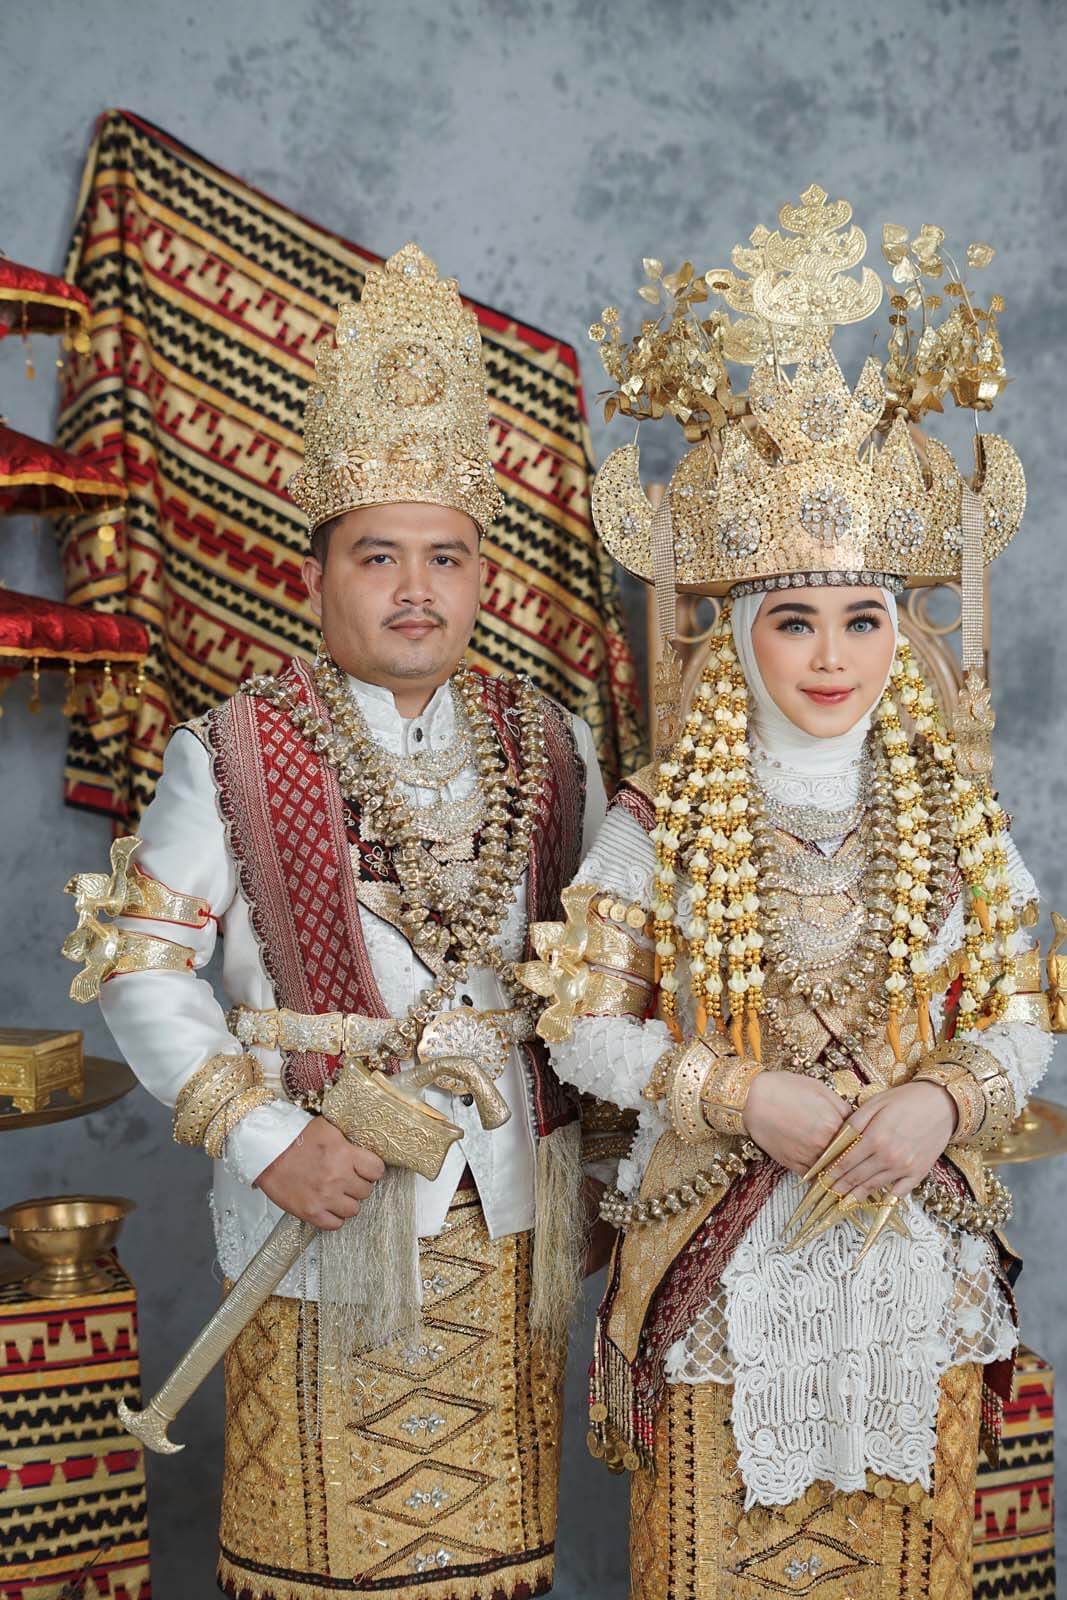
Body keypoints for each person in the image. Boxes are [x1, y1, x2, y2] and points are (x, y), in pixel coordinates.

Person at [520, 190, 1052, 1598]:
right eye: (794, 621)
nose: (831, 658)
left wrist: (942, 1105)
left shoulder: (957, 816)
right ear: (741, 633)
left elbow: (1022, 1015)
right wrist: (741, 1094)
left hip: (911, 1245)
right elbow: (581, 1025)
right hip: (721, 1250)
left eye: (863, 619)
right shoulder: (665, 815)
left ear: (898, 629)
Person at [63, 243, 607, 1600]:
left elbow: (604, 975)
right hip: (321, 1193)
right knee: (324, 1560)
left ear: (483, 576)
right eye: (379, 557)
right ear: (317, 578)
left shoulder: (555, 745)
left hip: (513, 1201)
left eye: (447, 557)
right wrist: (267, 1141)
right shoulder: (232, 749)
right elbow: (142, 969)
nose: (416, 589)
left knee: (493, 1560)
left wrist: (615, 1171)